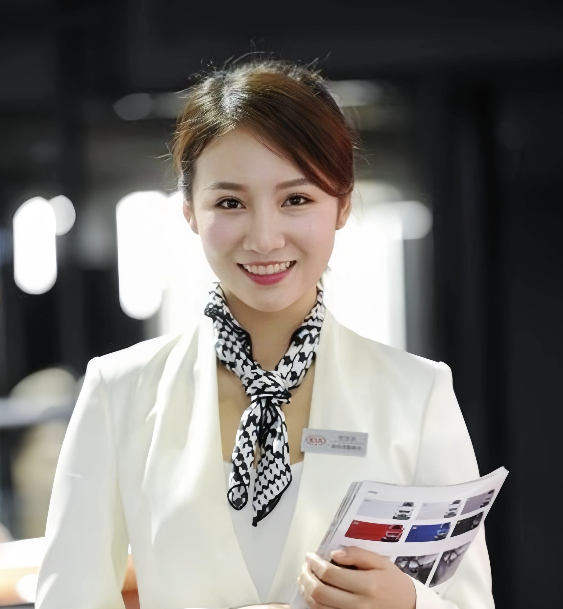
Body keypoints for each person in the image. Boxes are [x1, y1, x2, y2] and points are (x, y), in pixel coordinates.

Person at [36, 56, 494, 609]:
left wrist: (410, 603)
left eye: (296, 199)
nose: (264, 238)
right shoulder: (120, 391)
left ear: (342, 205)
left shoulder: (415, 394)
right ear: (190, 211)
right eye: (229, 203)